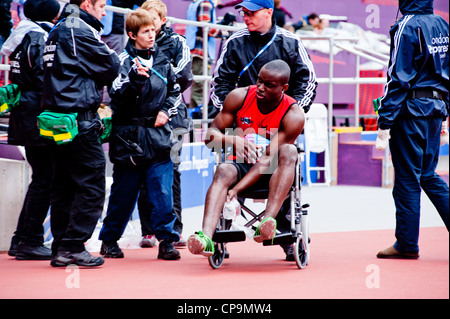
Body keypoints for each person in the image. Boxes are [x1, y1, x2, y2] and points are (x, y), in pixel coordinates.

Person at [187, 60, 305, 256]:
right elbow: (210, 137)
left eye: (269, 85)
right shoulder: (239, 97)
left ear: (284, 87)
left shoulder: (293, 114)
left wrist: (236, 190)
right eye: (259, 81)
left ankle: (267, 221)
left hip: (272, 170)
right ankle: (206, 238)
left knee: (289, 151)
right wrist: (233, 140)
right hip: (240, 164)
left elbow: (266, 160)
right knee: (223, 169)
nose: (260, 87)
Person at [41, 0, 120, 267]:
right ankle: (73, 246)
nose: (105, 11)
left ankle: (61, 248)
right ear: (86, 4)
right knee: (92, 184)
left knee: (63, 185)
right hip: (77, 120)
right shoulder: (77, 27)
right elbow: (111, 65)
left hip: (57, 119)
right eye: (101, 5)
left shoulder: (59, 27)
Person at [98, 8, 182, 261]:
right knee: (124, 194)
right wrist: (133, 81)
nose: (151, 36)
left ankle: (167, 241)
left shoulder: (163, 60)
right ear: (132, 35)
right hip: (128, 138)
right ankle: (109, 241)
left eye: (153, 31)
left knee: (163, 192)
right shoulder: (121, 61)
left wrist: (166, 111)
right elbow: (115, 95)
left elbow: (175, 92)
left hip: (159, 136)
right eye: (145, 32)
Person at [375, 0, 449, 259]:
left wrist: (384, 122)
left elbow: (397, 77)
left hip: (411, 111)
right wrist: (445, 113)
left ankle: (406, 244)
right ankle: (406, 242)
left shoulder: (406, 25)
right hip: (435, 108)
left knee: (407, 179)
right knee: (428, 175)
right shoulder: (441, 23)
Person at [0, 0, 61, 260]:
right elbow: (43, 78)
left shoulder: (24, 34)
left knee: (42, 178)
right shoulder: (38, 37)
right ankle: (30, 240)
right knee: (44, 179)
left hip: (28, 113)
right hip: (36, 115)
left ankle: (21, 239)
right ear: (52, 14)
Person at [137, 0, 193, 248]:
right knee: (143, 172)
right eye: (144, 19)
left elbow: (184, 76)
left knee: (173, 172)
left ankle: (175, 228)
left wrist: (160, 95)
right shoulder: (136, 43)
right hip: (142, 119)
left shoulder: (178, 42)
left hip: (175, 117)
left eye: (153, 19)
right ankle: (148, 231)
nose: (149, 25)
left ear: (162, 20)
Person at [210, 0, 317, 115]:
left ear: (269, 12)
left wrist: (293, 112)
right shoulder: (234, 42)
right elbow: (220, 84)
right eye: (244, 13)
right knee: (214, 132)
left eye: (251, 13)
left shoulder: (292, 42)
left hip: (281, 121)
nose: (246, 18)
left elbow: (307, 81)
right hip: (242, 121)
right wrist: (231, 113)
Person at [185, 0, 218, 110]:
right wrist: (225, 32)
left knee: (197, 84)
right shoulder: (205, 3)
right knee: (200, 86)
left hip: (194, 49)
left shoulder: (194, 3)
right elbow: (206, 27)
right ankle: (197, 116)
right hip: (201, 51)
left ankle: (195, 114)